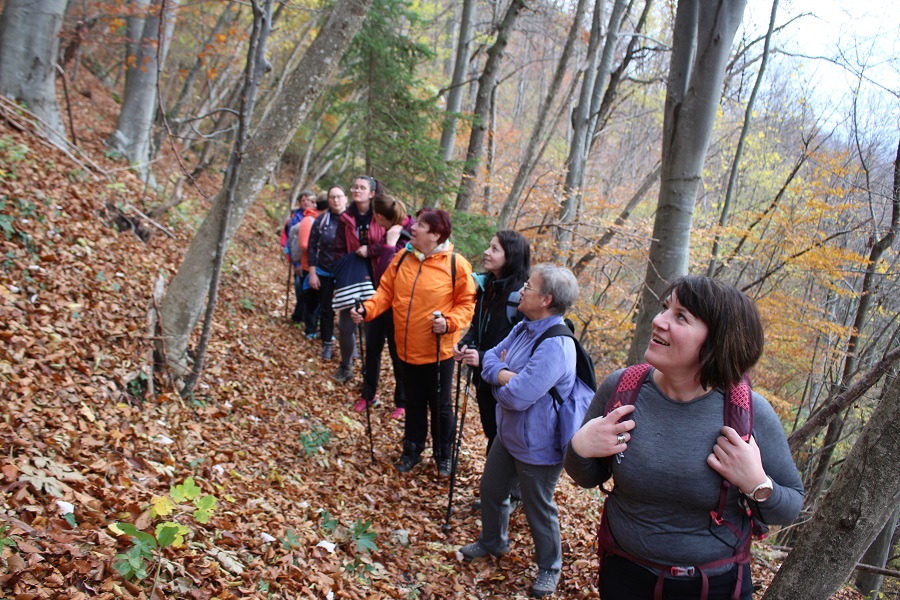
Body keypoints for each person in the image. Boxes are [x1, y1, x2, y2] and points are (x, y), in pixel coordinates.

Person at [564, 275, 804, 600]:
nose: (658, 320)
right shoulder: (622, 389)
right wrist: (579, 448)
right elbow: (588, 476)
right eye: (665, 308)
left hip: (714, 586)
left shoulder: (748, 412)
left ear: (718, 341)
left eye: (680, 316)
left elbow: (788, 507)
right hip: (623, 575)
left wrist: (756, 484)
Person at [458, 264, 580, 599]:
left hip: (539, 444)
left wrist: (500, 378)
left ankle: (550, 568)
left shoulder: (556, 345)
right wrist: (504, 374)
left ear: (546, 299)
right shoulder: (524, 327)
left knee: (538, 507)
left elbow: (518, 395)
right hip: (510, 433)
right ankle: (492, 541)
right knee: (492, 490)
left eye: (529, 286)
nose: (521, 291)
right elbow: (490, 358)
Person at [351, 208, 475, 476]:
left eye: (421, 225)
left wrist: (449, 322)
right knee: (414, 403)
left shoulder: (456, 265)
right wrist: (367, 309)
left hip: (438, 351)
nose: (413, 228)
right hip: (406, 348)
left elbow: (467, 304)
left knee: (441, 406)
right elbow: (385, 292)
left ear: (436, 235)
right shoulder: (402, 258)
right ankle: (412, 450)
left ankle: (443, 455)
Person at [453, 230, 531, 453]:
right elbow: (477, 326)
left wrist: (482, 357)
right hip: (483, 377)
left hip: (504, 381)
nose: (487, 252)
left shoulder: (520, 296)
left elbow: (521, 345)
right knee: (491, 431)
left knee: (500, 437)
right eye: (489, 247)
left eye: (495, 249)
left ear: (511, 256)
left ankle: (495, 475)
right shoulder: (488, 287)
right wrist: (464, 344)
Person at [354, 194, 415, 419]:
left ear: (379, 217)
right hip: (381, 301)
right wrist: (374, 249)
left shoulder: (407, 236)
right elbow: (379, 251)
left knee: (397, 354)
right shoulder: (391, 231)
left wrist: (389, 245)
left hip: (399, 305)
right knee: (372, 348)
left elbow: (386, 274)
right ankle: (368, 394)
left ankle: (402, 402)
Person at [332, 175, 381, 385]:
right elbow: (338, 249)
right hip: (351, 277)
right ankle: (346, 366)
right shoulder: (346, 218)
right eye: (354, 187)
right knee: (345, 326)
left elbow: (390, 244)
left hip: (376, 278)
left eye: (362, 187)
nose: (357, 190)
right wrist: (341, 272)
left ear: (371, 193)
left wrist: (371, 250)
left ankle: (370, 371)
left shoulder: (380, 216)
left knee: (371, 328)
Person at [307, 186, 347, 360]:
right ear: (328, 200)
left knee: (349, 311)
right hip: (324, 271)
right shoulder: (322, 220)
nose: (336, 200)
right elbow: (311, 246)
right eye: (332, 197)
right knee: (326, 310)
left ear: (345, 198)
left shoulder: (353, 220)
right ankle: (327, 344)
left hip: (347, 273)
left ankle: (349, 346)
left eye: (339, 197)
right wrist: (312, 273)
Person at [296, 194, 329, 338]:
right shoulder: (308, 220)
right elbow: (304, 245)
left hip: (324, 267)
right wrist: (323, 249)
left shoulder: (327, 220)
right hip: (308, 266)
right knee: (311, 301)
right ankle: (310, 330)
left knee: (323, 301)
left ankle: (322, 330)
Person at [288, 191, 318, 328]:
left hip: (314, 261)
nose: (305, 202)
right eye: (303, 200)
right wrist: (295, 263)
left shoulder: (319, 215)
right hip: (300, 259)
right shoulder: (296, 217)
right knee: (300, 289)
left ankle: (308, 318)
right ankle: (299, 316)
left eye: (308, 200)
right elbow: (291, 241)